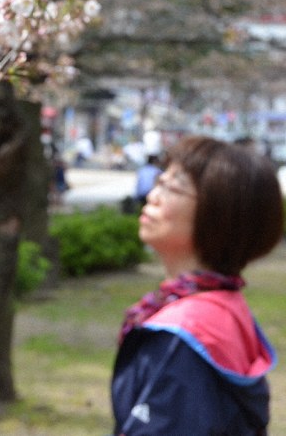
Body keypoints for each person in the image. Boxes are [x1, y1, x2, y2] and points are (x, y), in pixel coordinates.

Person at [112, 135, 284, 435]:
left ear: (219, 214)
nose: (153, 195)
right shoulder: (225, 305)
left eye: (172, 187)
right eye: (159, 181)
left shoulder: (182, 335)